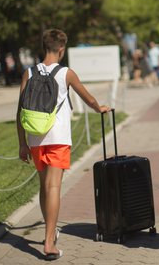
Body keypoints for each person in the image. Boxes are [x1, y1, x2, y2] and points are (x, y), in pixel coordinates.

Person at [16, 29, 110, 260]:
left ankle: (49, 231)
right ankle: (49, 242)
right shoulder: (66, 73)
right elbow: (87, 98)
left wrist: (22, 143)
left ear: (43, 47)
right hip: (57, 137)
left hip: (35, 138)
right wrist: (100, 108)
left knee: (43, 186)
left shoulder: (29, 72)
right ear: (61, 49)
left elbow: (20, 111)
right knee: (54, 187)